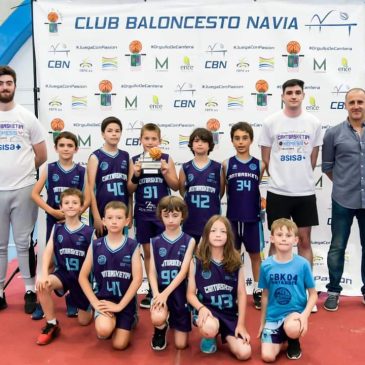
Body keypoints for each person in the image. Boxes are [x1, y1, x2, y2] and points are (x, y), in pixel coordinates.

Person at [259, 79, 322, 267]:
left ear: (303, 95)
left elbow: (313, 159)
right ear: (282, 96)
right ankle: (271, 289)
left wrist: (300, 176)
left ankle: (306, 288)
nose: (293, 96)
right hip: (278, 192)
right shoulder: (270, 122)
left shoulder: (314, 122)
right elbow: (266, 159)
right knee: (276, 242)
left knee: (304, 240)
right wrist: (281, 178)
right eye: (289, 93)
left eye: (297, 92)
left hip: (305, 193)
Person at [0, 65, 47, 313]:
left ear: (15, 86)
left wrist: (23, 172)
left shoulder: (27, 117)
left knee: (24, 242)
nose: (4, 87)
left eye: (8, 83)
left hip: (23, 188)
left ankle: (30, 290)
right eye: (1, 83)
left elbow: (41, 154)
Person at [31, 131, 90, 319]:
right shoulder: (49, 169)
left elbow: (88, 198)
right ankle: (42, 302)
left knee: (75, 263)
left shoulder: (82, 171)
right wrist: (52, 211)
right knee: (49, 263)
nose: (66, 148)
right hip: (54, 221)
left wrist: (74, 214)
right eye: (62, 145)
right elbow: (34, 194)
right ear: (56, 148)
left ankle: (72, 299)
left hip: (73, 222)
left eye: (69, 145)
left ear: (76, 149)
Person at [322, 87, 365, 311]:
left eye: (360, 102)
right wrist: (343, 182)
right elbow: (328, 167)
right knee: (337, 246)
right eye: (352, 102)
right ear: (345, 105)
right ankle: (333, 291)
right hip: (342, 199)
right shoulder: (333, 133)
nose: (356, 106)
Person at [79, 201, 142, 350]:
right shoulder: (96, 245)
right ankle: (108, 320)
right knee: (103, 331)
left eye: (119, 218)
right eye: (110, 217)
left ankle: (130, 318)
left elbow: (138, 279)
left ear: (127, 221)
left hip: (124, 303)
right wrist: (95, 303)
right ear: (104, 221)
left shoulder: (132, 245)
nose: (114, 221)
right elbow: (82, 276)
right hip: (104, 300)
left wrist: (120, 306)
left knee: (119, 345)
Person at [128, 123, 179, 309]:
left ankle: (168, 288)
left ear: (160, 140)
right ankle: (151, 289)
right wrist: (135, 175)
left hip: (164, 215)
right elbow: (130, 189)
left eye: (153, 139)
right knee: (148, 253)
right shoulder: (135, 160)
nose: (150, 142)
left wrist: (165, 172)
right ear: (140, 140)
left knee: (165, 252)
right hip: (143, 213)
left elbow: (175, 186)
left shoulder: (166, 159)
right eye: (146, 138)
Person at [187, 215, 252, 360]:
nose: (218, 235)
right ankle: (210, 336)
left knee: (244, 353)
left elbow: (242, 294)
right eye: (214, 231)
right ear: (206, 234)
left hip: (229, 314)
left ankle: (226, 332)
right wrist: (201, 308)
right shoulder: (196, 261)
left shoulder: (236, 261)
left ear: (229, 236)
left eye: (223, 231)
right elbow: (190, 294)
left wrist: (241, 324)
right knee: (210, 328)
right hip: (208, 313)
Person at [35, 188, 94, 345]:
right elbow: (48, 252)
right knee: (42, 285)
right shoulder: (57, 228)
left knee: (84, 321)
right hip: (63, 274)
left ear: (81, 207)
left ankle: (82, 301)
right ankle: (52, 324)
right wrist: (44, 274)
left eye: (75, 203)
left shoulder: (89, 232)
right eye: (66, 203)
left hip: (82, 279)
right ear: (60, 207)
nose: (70, 206)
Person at [258, 218, 317, 361]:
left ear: (296, 240)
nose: (284, 239)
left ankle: (293, 340)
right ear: (272, 239)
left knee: (292, 328)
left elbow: (313, 295)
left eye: (288, 235)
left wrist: (304, 316)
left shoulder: (302, 264)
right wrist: (262, 323)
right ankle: (281, 339)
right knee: (267, 357)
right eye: (279, 235)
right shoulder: (266, 265)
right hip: (273, 316)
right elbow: (265, 296)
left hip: (294, 314)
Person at [223, 122, 265, 310]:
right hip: (232, 218)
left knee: (256, 256)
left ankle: (257, 290)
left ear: (251, 140)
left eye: (245, 138)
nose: (241, 142)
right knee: (231, 256)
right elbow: (221, 193)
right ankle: (231, 290)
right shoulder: (226, 164)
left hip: (252, 218)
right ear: (232, 141)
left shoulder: (259, 164)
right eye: (237, 138)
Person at [149, 196, 195, 351]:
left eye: (175, 215)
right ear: (160, 216)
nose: (170, 220)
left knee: (181, 345)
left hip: (180, 292)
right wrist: (156, 295)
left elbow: (183, 272)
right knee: (157, 316)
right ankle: (160, 327)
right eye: (166, 215)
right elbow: (152, 271)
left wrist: (165, 294)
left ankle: (173, 319)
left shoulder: (189, 240)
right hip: (161, 290)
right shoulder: (154, 241)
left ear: (183, 215)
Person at [179, 128, 224, 244]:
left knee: (211, 253)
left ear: (210, 145)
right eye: (196, 141)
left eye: (204, 141)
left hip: (211, 219)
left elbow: (221, 192)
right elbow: (182, 191)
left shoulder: (218, 167)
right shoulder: (185, 167)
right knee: (190, 253)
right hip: (191, 219)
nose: (200, 144)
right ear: (191, 145)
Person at [87, 116, 131, 237]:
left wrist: (130, 213)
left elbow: (129, 190)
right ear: (103, 134)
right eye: (110, 131)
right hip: (102, 211)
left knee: (121, 249)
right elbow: (90, 189)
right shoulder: (95, 157)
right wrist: (96, 216)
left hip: (122, 212)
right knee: (100, 249)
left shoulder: (125, 156)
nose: (114, 134)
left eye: (117, 131)